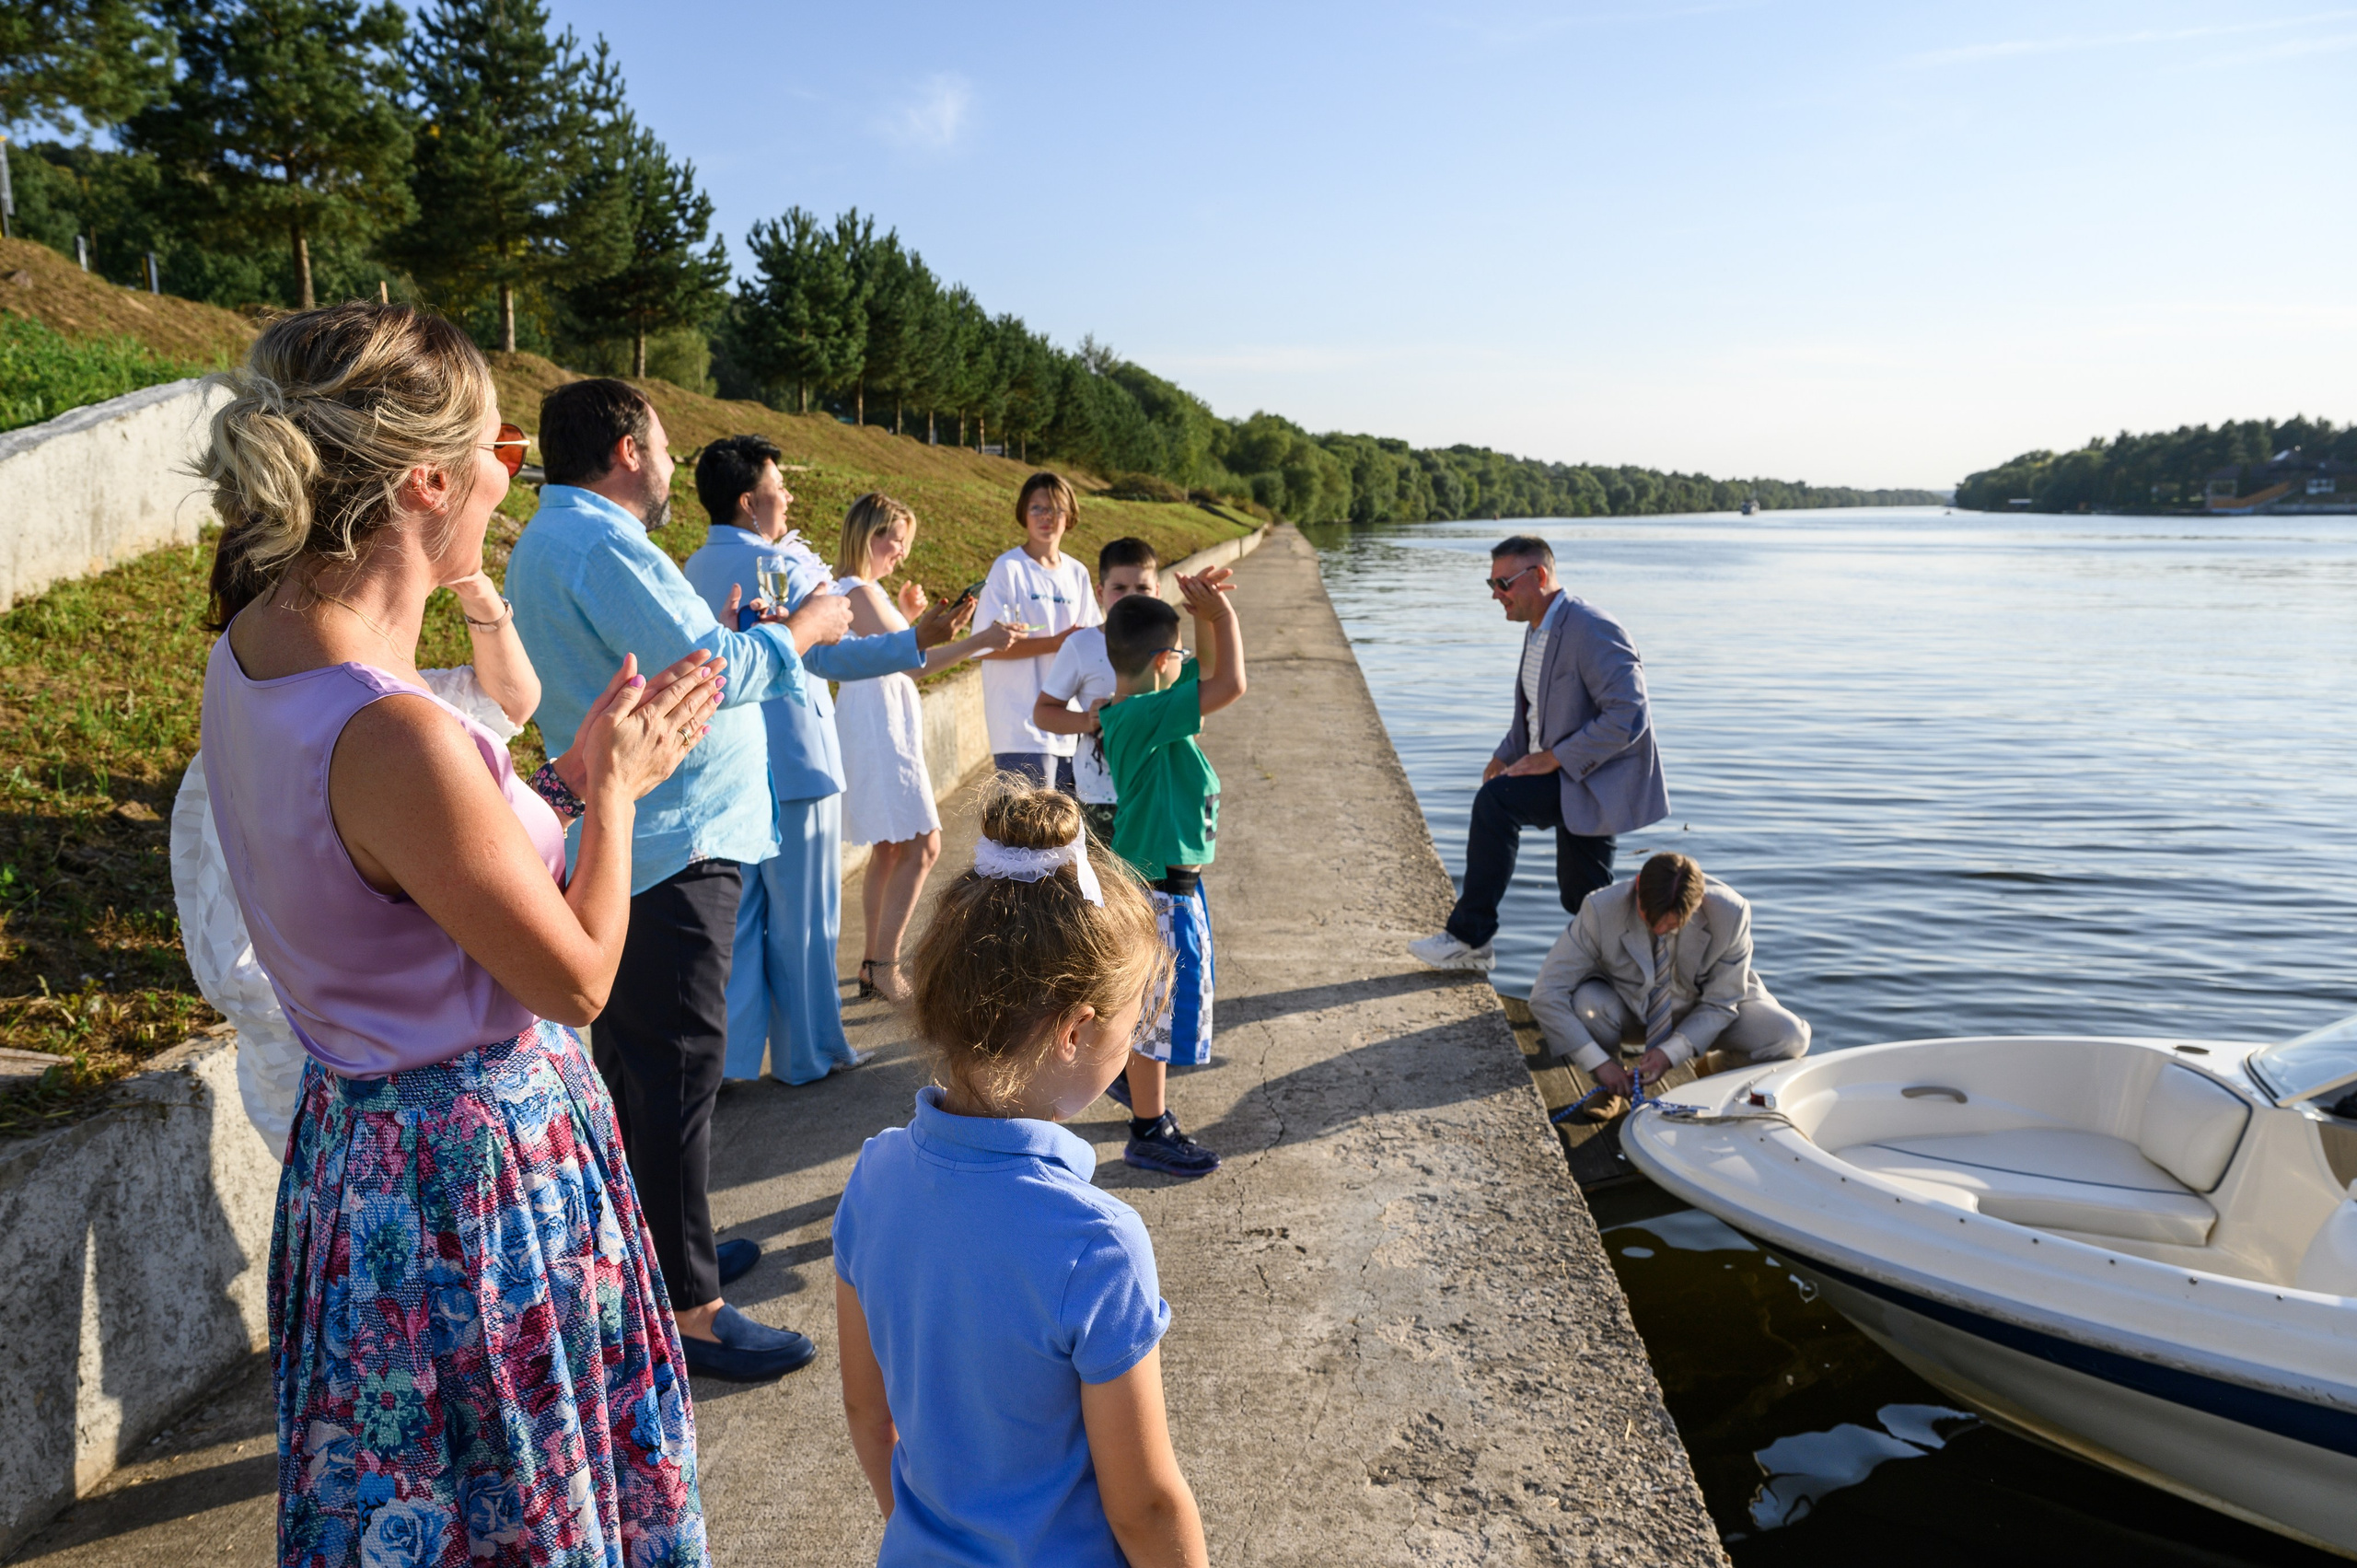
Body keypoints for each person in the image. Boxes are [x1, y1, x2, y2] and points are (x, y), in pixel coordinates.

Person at [192, 303, 722, 1564]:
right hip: (475, 1186)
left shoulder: (255, 653)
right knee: (523, 1503)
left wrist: (557, 783)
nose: (508, 474)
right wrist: (617, 791)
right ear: (428, 480)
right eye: (505, 452)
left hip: (363, 1161)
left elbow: (405, 877)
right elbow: (581, 976)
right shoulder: (395, 733)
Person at [506, 379, 854, 1382]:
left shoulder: (562, 536)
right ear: (627, 448)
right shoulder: (598, 540)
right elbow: (711, 668)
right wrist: (805, 630)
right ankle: (690, 1305)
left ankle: (667, 1248)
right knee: (674, 1072)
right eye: (661, 448)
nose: (669, 468)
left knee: (652, 1070)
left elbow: (673, 657)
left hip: (654, 836)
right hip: (669, 838)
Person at [831, 783, 1209, 1568]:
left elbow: (870, 1413)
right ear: (1076, 1029)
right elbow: (1143, 1505)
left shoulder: (874, 1177)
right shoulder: (1097, 1244)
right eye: (1133, 1015)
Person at [679, 442, 973, 1082]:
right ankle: (808, 1054)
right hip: (795, 761)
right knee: (805, 922)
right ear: (749, 500)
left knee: (744, 923)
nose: (788, 497)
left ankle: (731, 1064)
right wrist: (917, 639)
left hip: (725, 769)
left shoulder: (690, 568)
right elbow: (833, 659)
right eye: (779, 486)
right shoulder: (780, 566)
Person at [1408, 535, 1669, 974]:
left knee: (1500, 809)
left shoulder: (1592, 628)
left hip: (1590, 778)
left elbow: (1629, 714)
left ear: (1540, 576)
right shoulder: (1540, 629)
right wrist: (1505, 754)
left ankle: (1472, 939)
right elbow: (1536, 714)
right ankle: (1630, 970)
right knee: (1583, 896)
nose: (1495, 594)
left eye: (1503, 583)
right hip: (1567, 775)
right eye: (1490, 583)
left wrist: (1555, 759)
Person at [1091, 567, 1247, 1179]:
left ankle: (1140, 1101)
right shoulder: (1142, 716)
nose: (1185, 663)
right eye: (1177, 653)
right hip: (1159, 890)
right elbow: (1229, 682)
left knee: (1147, 1007)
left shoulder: (1146, 705)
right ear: (1161, 661)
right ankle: (1148, 1129)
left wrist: (1204, 616)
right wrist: (1225, 619)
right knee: (1153, 1013)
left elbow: (1205, 674)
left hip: (1166, 882)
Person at [834, 493, 1020, 1002]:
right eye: (896, 541)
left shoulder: (866, 590)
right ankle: (884, 963)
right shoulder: (858, 590)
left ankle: (875, 962)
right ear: (869, 535)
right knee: (923, 844)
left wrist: (911, 616)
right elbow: (914, 663)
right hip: (879, 724)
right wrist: (979, 641)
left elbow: (898, 647)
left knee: (892, 847)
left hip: (879, 719)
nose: (902, 554)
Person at [1528, 852, 1809, 1103]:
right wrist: (1599, 1063)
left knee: (1790, 1037)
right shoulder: (1599, 910)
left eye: (1673, 924)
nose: (1661, 929)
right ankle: (1610, 1085)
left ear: (1699, 903)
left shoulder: (1732, 913)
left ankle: (1716, 1068)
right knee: (1587, 1002)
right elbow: (1546, 994)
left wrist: (1671, 1053)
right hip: (1629, 1011)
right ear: (1638, 886)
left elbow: (1723, 1001)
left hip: (1710, 1012)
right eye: (1649, 919)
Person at [1031, 538, 1162, 846]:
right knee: (1107, 891)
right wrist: (1087, 721)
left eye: (1142, 588)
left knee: (1154, 891)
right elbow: (1043, 712)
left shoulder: (1169, 645)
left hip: (1157, 788)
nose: (1131, 597)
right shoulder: (1081, 646)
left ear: (1157, 590)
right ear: (1100, 593)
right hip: (1101, 798)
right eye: (1120, 588)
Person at [975, 471, 1100, 792]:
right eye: (1037, 508)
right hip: (1019, 729)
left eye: (1056, 509)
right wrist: (1056, 643)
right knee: (1030, 837)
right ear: (1023, 514)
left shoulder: (1077, 573)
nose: (1046, 517)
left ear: (1069, 516)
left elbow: (1093, 642)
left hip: (1071, 726)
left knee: (1068, 836)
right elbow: (986, 646)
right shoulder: (1008, 569)